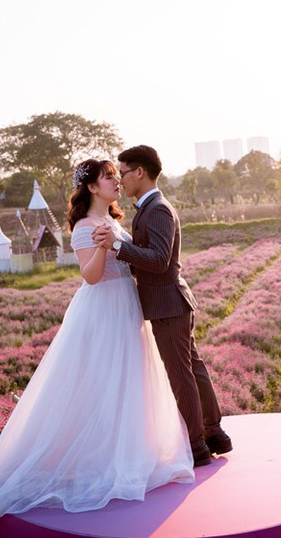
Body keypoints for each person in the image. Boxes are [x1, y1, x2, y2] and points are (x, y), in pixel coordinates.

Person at [0, 159, 194, 536]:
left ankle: (126, 452)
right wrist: (101, 248)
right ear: (92, 188)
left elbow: (132, 261)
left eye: (116, 175)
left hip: (126, 305)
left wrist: (118, 243)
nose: (116, 181)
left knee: (129, 380)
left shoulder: (113, 222)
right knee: (98, 382)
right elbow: (91, 277)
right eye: (108, 177)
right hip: (102, 308)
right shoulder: (83, 228)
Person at [93, 145, 231, 467]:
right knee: (192, 370)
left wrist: (116, 246)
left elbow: (158, 260)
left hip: (168, 305)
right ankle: (214, 434)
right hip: (170, 303)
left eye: (123, 173)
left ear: (139, 172)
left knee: (181, 376)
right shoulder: (149, 207)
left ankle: (197, 446)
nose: (121, 181)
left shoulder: (156, 208)